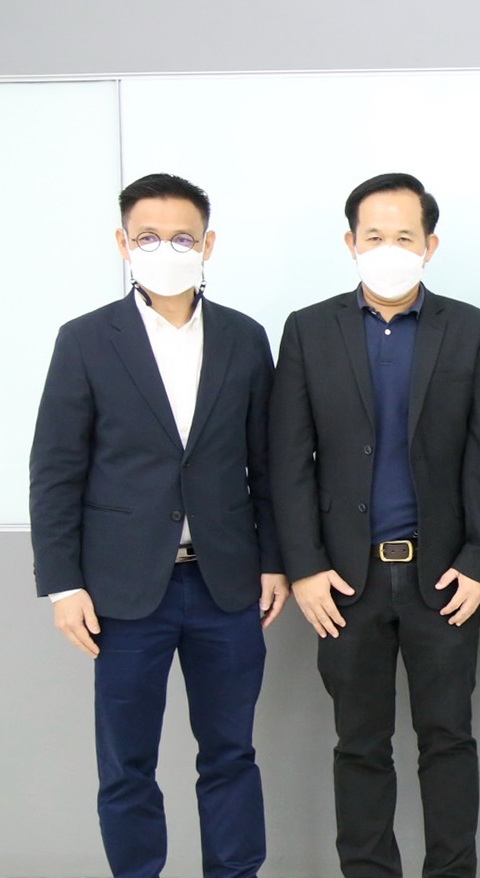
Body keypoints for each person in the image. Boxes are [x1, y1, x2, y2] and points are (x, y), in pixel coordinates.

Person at [30, 173, 288, 878]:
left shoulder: (243, 337)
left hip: (225, 585)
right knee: (127, 764)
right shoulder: (86, 340)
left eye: (181, 237)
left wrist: (273, 561)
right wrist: (63, 586)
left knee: (231, 754)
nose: (165, 250)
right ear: (123, 244)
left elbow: (267, 464)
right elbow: (55, 470)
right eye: (148, 238)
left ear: (208, 244)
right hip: (122, 592)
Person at [269, 172, 480, 877]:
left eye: (405, 236)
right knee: (359, 744)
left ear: (430, 245)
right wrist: (306, 567)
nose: (389, 249)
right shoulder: (309, 330)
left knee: (449, 739)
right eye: (374, 236)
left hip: (445, 576)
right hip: (344, 581)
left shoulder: (472, 330)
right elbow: (289, 460)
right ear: (350, 243)